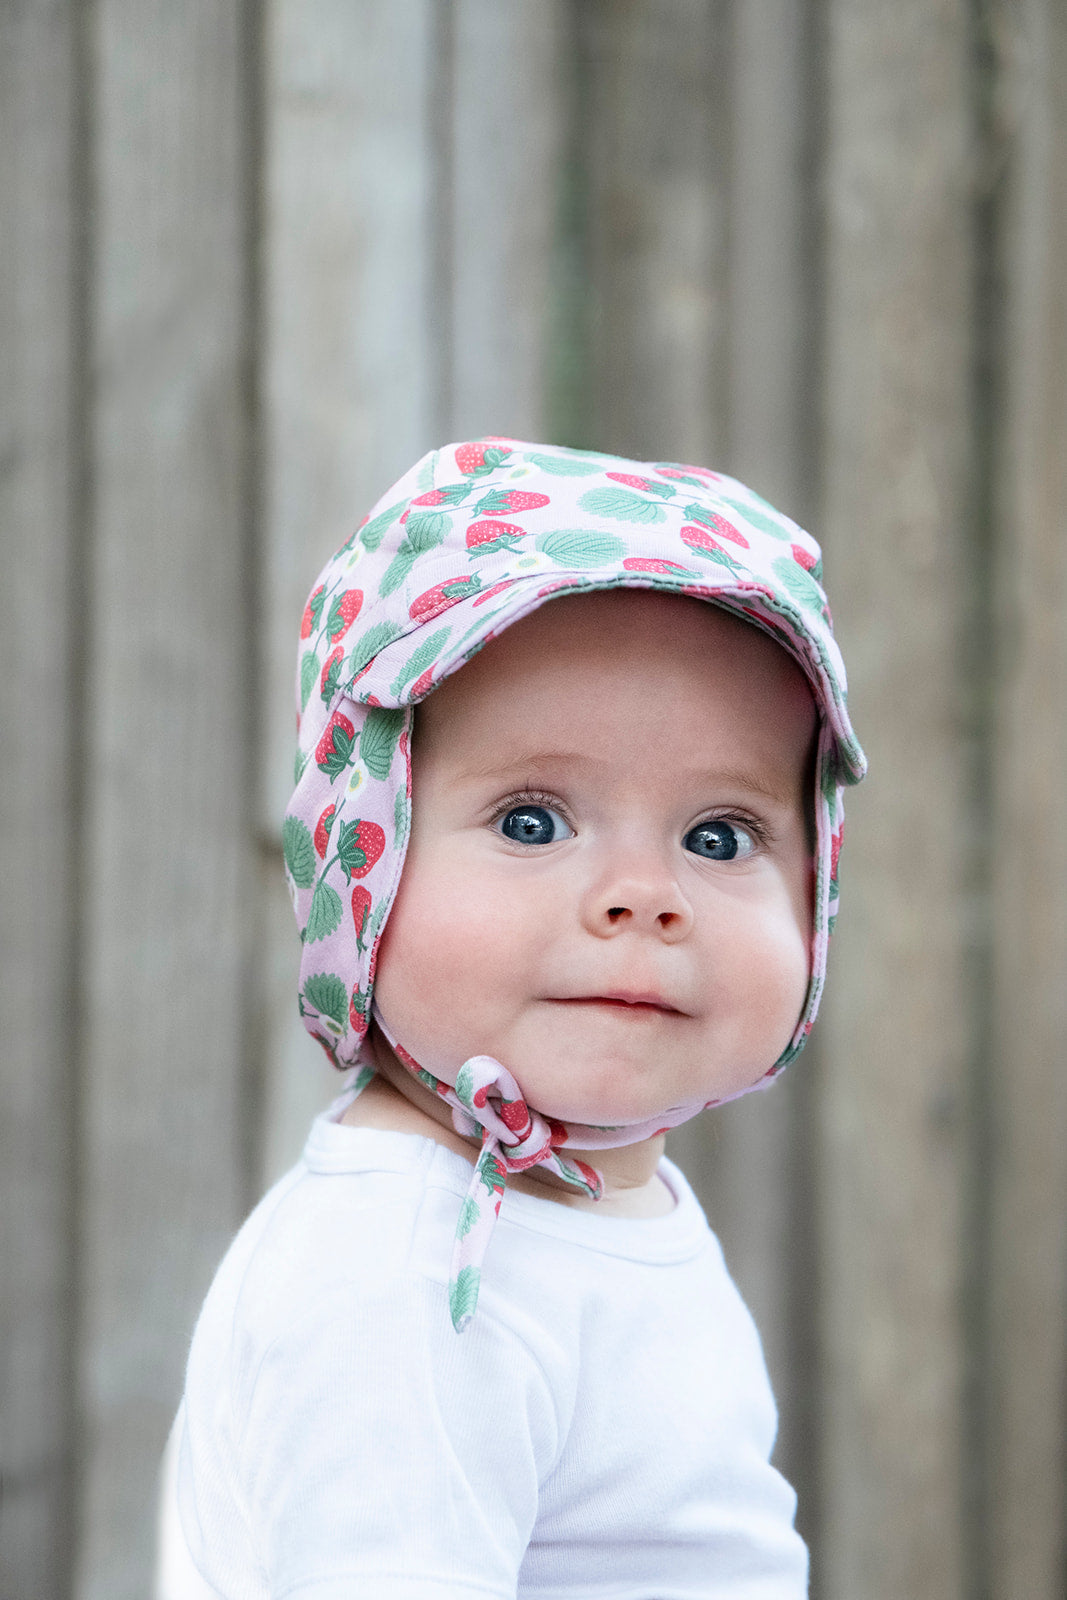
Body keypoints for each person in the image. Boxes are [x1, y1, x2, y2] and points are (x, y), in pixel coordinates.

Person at [161, 438, 866, 1598]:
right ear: (362, 859)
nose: (641, 894)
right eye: (532, 822)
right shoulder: (402, 1285)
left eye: (718, 835)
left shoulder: (583, 1203)